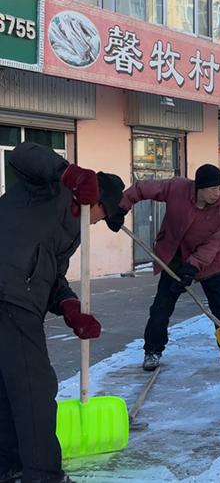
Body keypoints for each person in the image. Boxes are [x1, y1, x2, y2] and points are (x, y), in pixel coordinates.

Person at [0, 142, 125, 483]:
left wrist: (71, 308)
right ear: (98, 202)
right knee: (35, 388)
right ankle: (43, 475)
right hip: (10, 295)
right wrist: (67, 172)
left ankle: (9, 466)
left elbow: (52, 275)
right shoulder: (50, 187)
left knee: (8, 388)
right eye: (103, 215)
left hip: (18, 298)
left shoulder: (72, 234)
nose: (98, 222)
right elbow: (21, 154)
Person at [108, 164, 220, 371]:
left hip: (210, 263)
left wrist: (192, 267)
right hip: (175, 256)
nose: (217, 193)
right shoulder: (177, 188)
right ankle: (152, 351)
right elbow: (141, 188)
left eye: (219, 188)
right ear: (199, 187)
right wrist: (121, 208)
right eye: (212, 189)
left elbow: (213, 244)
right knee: (161, 308)